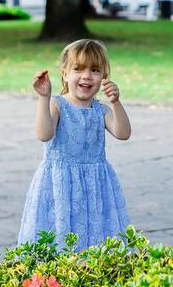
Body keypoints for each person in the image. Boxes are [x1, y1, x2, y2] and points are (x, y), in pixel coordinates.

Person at [19, 39, 131, 249]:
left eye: (95, 70)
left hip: (95, 185)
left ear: (103, 78)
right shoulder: (57, 104)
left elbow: (123, 133)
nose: (87, 76)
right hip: (59, 183)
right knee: (59, 234)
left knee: (94, 234)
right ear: (65, 74)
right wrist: (44, 98)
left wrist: (116, 103)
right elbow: (44, 134)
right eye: (78, 69)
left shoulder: (101, 110)